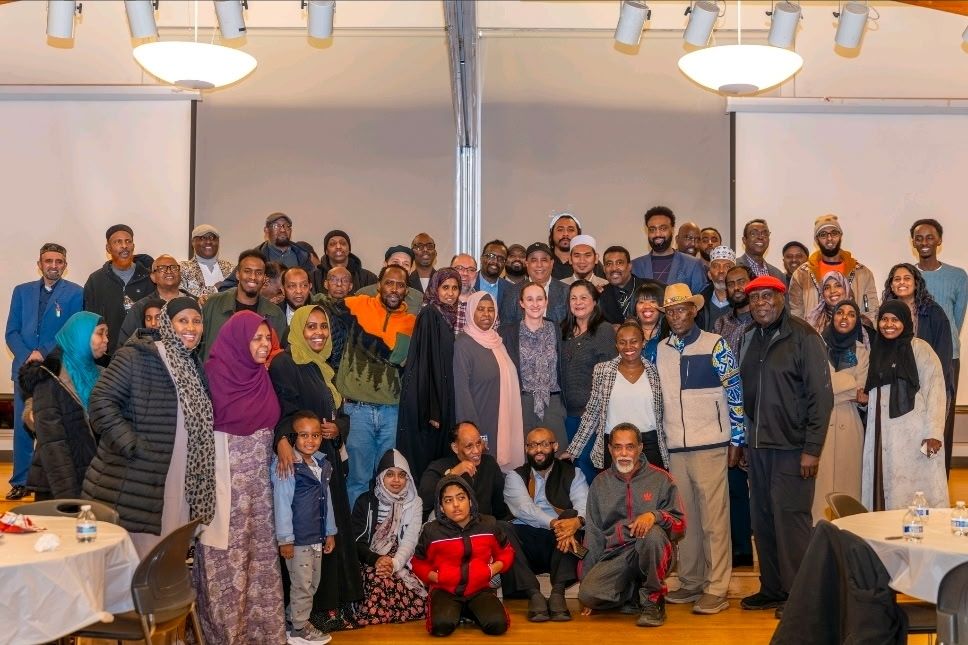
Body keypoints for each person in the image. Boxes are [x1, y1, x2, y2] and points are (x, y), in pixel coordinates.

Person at [83, 298, 213, 557]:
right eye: (182, 320)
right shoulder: (137, 355)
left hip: (178, 481)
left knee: (162, 566)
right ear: (167, 323)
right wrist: (132, 445)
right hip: (137, 482)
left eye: (196, 321)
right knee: (135, 569)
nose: (191, 327)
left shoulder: (192, 363)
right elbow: (100, 403)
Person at [738, 276, 832, 617]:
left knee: (791, 522)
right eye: (755, 298)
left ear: (781, 298)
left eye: (768, 296)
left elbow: (821, 397)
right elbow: (746, 394)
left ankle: (801, 598)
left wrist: (812, 448)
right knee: (763, 520)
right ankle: (773, 588)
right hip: (759, 446)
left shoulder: (804, 336)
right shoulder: (749, 337)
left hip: (793, 447)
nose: (761, 303)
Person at [269, 304, 363, 632]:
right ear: (298, 330)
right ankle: (305, 615)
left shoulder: (324, 365)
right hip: (301, 466)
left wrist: (339, 429)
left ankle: (330, 606)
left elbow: (338, 413)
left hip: (326, 461)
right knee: (305, 539)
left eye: (323, 326)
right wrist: (283, 439)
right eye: (310, 327)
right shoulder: (286, 362)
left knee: (329, 536)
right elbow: (279, 410)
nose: (318, 333)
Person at [195, 311, 286, 644]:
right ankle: (225, 635)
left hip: (259, 493)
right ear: (238, 340)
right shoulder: (214, 375)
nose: (264, 346)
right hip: (226, 491)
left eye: (267, 338)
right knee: (225, 560)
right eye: (256, 338)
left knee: (258, 561)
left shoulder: (262, 375)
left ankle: (259, 633)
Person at [655, 284, 744, 616]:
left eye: (682, 310)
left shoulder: (715, 344)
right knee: (686, 521)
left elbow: (735, 393)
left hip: (711, 445)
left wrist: (737, 439)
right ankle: (691, 581)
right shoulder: (660, 349)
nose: (677, 316)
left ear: (694, 311)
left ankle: (717, 587)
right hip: (676, 448)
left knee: (714, 521)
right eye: (672, 311)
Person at [577, 425, 686, 628]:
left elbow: (680, 525)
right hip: (616, 555)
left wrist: (654, 516)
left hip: (653, 550)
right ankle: (633, 593)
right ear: (610, 449)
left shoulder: (661, 479)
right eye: (618, 447)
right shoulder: (599, 484)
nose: (624, 453)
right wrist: (587, 580)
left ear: (640, 448)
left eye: (630, 447)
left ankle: (653, 600)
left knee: (651, 534)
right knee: (588, 594)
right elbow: (593, 534)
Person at [5, 242, 83, 500]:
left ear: (65, 265)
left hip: (55, 369)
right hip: (25, 369)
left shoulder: (75, 293)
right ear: (40, 264)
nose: (53, 265)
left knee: (53, 426)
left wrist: (43, 352)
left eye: (58, 261)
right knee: (22, 426)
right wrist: (28, 355)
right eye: (48, 261)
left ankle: (50, 482)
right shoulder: (21, 291)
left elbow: (69, 331)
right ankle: (21, 481)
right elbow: (11, 331)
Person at [336, 265, 416, 506]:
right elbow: (326, 304)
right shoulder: (358, 305)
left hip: (392, 410)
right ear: (379, 285)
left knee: (388, 477)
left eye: (400, 285)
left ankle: (384, 536)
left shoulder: (411, 323)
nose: (394, 289)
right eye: (389, 283)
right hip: (357, 409)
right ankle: (356, 538)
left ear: (406, 290)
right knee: (358, 479)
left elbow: (398, 359)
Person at [862, 300, 948, 511]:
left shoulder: (920, 348)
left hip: (915, 433)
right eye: (884, 319)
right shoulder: (876, 350)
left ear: (906, 323)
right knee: (882, 490)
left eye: (895, 320)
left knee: (916, 494)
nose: (888, 324)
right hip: (881, 433)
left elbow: (936, 390)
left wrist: (934, 433)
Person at [411, 475, 514, 637]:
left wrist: (491, 570)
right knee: (440, 627)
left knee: (498, 626)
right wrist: (437, 578)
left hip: (479, 590)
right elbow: (418, 563)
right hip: (445, 590)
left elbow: (506, 553)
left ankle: (467, 612)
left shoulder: (489, 524)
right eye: (448, 500)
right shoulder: (431, 531)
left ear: (470, 500)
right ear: (442, 507)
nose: (456, 505)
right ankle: (457, 613)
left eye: (461, 498)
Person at [503, 427, 588, 623]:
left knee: (572, 517)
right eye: (532, 445)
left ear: (555, 446)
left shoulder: (573, 473)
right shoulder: (514, 476)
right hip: (528, 543)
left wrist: (576, 522)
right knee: (502, 528)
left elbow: (584, 504)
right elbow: (524, 509)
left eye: (544, 444)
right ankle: (534, 594)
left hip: (561, 546)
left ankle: (557, 593)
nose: (538, 450)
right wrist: (554, 523)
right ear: (526, 449)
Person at [563, 320, 667, 478]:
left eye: (634, 341)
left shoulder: (655, 372)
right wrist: (573, 450)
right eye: (622, 342)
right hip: (613, 445)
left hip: (648, 444)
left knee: (649, 499)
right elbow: (592, 413)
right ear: (616, 345)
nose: (628, 347)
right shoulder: (603, 371)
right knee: (613, 499)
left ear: (643, 343)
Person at [19, 312, 105, 500]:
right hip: (58, 488)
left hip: (93, 481)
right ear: (81, 335)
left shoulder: (103, 375)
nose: (107, 340)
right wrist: (68, 501)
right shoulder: (49, 379)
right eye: (100, 333)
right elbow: (54, 448)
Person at [881, 262, 955, 474]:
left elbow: (942, 355)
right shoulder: (886, 314)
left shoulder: (933, 312)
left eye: (907, 278)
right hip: (897, 392)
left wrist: (927, 386)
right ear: (891, 285)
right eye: (897, 279)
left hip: (929, 389)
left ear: (916, 283)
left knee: (924, 451)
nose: (902, 282)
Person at [272, 410, 337, 645]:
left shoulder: (322, 463)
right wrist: (285, 539)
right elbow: (281, 503)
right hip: (298, 539)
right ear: (292, 437)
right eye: (303, 435)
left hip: (316, 536)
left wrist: (330, 531)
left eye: (315, 436)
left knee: (312, 582)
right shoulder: (288, 465)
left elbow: (327, 500)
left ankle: (292, 620)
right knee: (302, 584)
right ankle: (299, 629)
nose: (310, 441)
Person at [912, 218, 967, 477]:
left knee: (942, 418)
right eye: (919, 237)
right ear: (913, 242)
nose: (924, 242)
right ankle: (914, 477)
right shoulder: (906, 275)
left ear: (939, 241)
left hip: (948, 357)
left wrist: (942, 345)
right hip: (912, 357)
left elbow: (956, 320)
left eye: (929, 237)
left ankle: (940, 480)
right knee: (914, 417)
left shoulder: (957, 277)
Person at [397, 268, 461, 481]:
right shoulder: (430, 314)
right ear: (435, 289)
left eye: (455, 288)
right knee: (427, 464)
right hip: (429, 404)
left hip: (440, 397)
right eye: (445, 287)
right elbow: (424, 363)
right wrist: (432, 410)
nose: (450, 293)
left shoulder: (445, 316)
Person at [350, 449, 427, 626]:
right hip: (370, 559)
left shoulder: (415, 503)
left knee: (419, 602)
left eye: (402, 475)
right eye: (390, 474)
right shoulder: (365, 501)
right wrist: (377, 560)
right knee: (377, 582)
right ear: (381, 478)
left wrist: (393, 564)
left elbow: (410, 541)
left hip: (400, 560)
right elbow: (357, 541)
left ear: (407, 478)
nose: (396, 480)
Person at [453, 291, 525, 470]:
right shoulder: (463, 344)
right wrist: (473, 432)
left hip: (503, 417)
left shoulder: (497, 341)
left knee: (499, 476)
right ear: (470, 312)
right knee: (484, 467)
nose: (486, 314)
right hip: (480, 420)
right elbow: (461, 391)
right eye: (480, 309)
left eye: (491, 310)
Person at [813, 300, 871, 522]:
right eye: (840, 313)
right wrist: (848, 383)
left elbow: (862, 387)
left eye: (851, 314)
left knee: (849, 485)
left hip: (850, 424)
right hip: (821, 423)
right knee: (820, 489)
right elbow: (816, 385)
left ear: (857, 321)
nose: (845, 317)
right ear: (832, 317)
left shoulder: (861, 351)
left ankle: (850, 536)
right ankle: (820, 536)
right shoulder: (817, 345)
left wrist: (831, 386)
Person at [559, 280, 617, 481]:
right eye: (573, 298)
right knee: (573, 472)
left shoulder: (604, 331)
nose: (578, 302)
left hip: (593, 417)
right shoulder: (563, 331)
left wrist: (594, 414)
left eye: (584, 297)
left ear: (594, 302)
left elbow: (608, 380)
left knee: (588, 467)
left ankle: (595, 511)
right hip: (567, 416)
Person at [499, 282, 567, 447]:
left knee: (556, 451)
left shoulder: (557, 329)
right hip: (522, 402)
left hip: (552, 401)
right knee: (524, 452)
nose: (535, 304)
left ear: (546, 301)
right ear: (521, 303)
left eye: (539, 299)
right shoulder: (507, 333)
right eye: (529, 299)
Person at [199, 249, 288, 360]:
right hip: (214, 375)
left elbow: (276, 357)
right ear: (237, 274)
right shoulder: (213, 304)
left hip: (256, 376)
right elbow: (199, 347)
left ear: (264, 278)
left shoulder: (275, 314)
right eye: (247, 271)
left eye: (259, 273)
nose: (253, 277)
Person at [789, 214, 879, 322]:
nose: (829, 238)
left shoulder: (862, 273)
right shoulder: (802, 275)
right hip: (814, 337)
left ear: (841, 236)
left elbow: (871, 312)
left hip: (853, 336)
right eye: (823, 234)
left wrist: (864, 334)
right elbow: (796, 316)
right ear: (816, 240)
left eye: (834, 233)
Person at [419, 421, 511, 523]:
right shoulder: (437, 467)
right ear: (455, 448)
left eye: (478, 443)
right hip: (449, 532)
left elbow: (500, 508)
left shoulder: (489, 463)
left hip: (482, 530)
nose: (476, 451)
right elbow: (424, 504)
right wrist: (453, 474)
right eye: (469, 446)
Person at [83, 224, 153, 355]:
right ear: (108, 248)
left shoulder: (149, 278)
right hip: (108, 357)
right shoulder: (96, 280)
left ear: (133, 246)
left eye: (128, 241)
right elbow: (90, 322)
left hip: (145, 355)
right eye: (118, 242)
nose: (124, 246)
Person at [118, 255, 194, 347]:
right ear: (153, 277)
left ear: (180, 274)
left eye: (173, 268)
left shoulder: (195, 304)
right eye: (161, 268)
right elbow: (124, 345)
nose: (169, 271)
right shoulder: (141, 307)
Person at [631, 206, 707, 294]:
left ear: (672, 230)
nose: (657, 234)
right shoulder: (635, 266)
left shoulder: (693, 264)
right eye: (652, 229)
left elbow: (701, 301)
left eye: (663, 228)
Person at [498, 242, 569, 325]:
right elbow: (506, 328)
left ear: (552, 263)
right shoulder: (512, 292)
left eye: (544, 260)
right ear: (527, 264)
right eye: (534, 260)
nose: (539, 265)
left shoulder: (567, 291)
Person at [356, 245, 424, 313]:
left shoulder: (418, 299)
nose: (400, 267)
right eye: (395, 262)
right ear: (385, 265)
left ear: (411, 270)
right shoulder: (363, 294)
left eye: (406, 264)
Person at [311, 229, 378, 295]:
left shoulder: (368, 277)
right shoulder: (313, 277)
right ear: (326, 251)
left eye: (343, 243)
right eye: (332, 244)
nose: (338, 247)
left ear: (349, 249)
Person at [599, 246, 653, 325]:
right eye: (609, 264)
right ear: (604, 269)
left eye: (619, 263)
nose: (614, 268)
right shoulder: (599, 295)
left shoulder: (651, 288)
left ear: (629, 266)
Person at [179, 224, 234, 298]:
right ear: (193, 242)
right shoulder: (182, 268)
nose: (208, 241)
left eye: (212, 237)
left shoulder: (230, 268)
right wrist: (214, 289)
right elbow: (182, 297)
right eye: (203, 238)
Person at [698, 245, 736, 331]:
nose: (721, 271)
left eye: (727, 266)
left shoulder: (743, 303)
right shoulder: (700, 304)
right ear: (709, 275)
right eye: (716, 266)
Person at [633, 281, 668, 363]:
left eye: (653, 301)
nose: (647, 306)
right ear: (635, 307)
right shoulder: (627, 332)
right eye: (641, 302)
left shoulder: (670, 335)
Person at [474, 239, 511, 304]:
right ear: (482, 258)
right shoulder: (469, 283)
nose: (495, 261)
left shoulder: (510, 289)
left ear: (505, 264)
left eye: (501, 258)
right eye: (491, 256)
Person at [451, 252, 479, 333]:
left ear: (476, 275)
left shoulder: (484, 303)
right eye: (459, 268)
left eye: (471, 270)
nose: (465, 273)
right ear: (450, 271)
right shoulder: (436, 302)